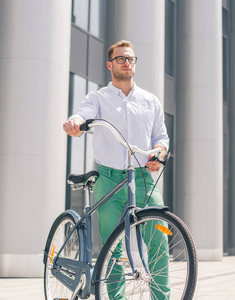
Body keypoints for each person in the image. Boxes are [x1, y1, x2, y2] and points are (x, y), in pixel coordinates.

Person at [63, 40, 170, 299]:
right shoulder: (98, 98)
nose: (126, 63)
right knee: (113, 246)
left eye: (131, 59)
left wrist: (158, 153)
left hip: (142, 177)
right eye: (121, 59)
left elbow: (161, 138)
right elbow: (82, 114)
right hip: (109, 178)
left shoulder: (150, 101)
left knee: (159, 236)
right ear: (110, 64)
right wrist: (75, 123)